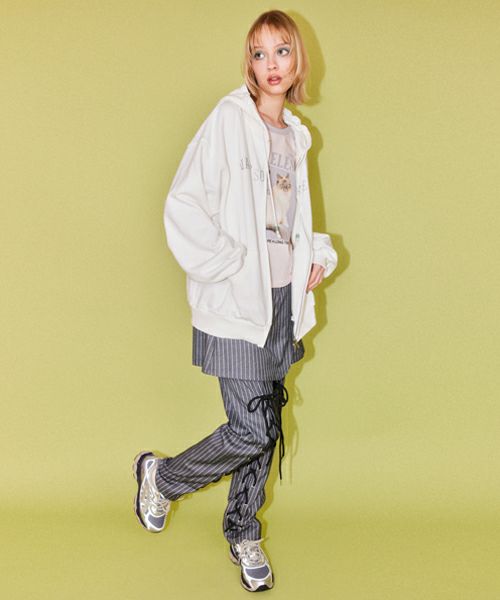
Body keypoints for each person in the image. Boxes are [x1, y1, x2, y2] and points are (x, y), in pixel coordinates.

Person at [132, 9, 338, 593]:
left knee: (265, 420)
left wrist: (317, 254)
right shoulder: (228, 119)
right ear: (248, 63)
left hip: (281, 301)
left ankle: (243, 529)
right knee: (251, 428)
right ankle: (162, 478)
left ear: (298, 61)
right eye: (259, 53)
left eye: (282, 51)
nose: (271, 64)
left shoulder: (296, 134)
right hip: (237, 298)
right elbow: (183, 202)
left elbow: (291, 220)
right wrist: (229, 261)